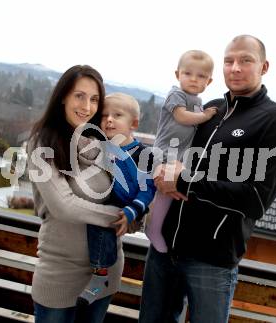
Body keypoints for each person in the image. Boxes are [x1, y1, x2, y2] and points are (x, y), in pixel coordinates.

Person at [139, 35, 276, 323]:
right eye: (229, 61)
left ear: (264, 67)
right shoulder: (210, 109)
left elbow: (257, 200)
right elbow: (176, 151)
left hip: (211, 261)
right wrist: (162, 171)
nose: (235, 68)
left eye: (245, 60)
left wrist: (185, 181)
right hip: (164, 251)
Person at [27, 65, 126, 323]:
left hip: (104, 274)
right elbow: (63, 206)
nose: (87, 106)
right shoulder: (42, 144)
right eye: (79, 96)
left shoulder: (103, 145)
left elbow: (126, 193)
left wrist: (135, 212)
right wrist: (120, 216)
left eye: (94, 99)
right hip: (60, 274)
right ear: (63, 96)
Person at [76, 92, 156, 305]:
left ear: (134, 124)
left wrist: (134, 210)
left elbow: (148, 188)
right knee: (94, 217)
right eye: (104, 115)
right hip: (104, 198)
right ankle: (94, 271)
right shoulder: (101, 146)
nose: (109, 119)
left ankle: (99, 277)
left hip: (125, 204)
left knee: (101, 224)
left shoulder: (142, 153)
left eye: (117, 115)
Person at [146, 50, 217, 253]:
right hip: (166, 151)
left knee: (173, 190)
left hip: (180, 154)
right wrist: (205, 116)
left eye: (201, 76)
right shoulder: (175, 94)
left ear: (209, 81)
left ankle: (157, 225)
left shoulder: (197, 101)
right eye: (188, 74)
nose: (194, 79)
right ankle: (153, 228)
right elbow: (182, 117)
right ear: (178, 75)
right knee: (165, 191)